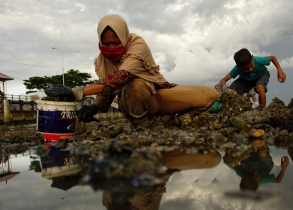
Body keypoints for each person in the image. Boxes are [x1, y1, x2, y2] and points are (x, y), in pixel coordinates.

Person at [70, 14, 218, 127]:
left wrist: (79, 91)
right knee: (135, 85)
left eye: (116, 42)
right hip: (131, 104)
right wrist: (94, 108)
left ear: (123, 36)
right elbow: (108, 91)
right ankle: (142, 126)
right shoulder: (102, 60)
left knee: (210, 94)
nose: (111, 48)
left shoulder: (137, 45)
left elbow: (121, 76)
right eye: (106, 44)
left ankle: (174, 121)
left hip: (156, 95)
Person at [217, 48, 287, 109]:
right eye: (246, 69)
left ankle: (261, 109)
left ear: (252, 58)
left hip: (262, 75)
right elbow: (223, 80)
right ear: (239, 67)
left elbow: (272, 58)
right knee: (231, 92)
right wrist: (224, 87)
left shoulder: (258, 60)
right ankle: (232, 109)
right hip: (247, 80)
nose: (250, 69)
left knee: (260, 87)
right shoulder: (237, 69)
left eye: (251, 65)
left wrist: (280, 71)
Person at [224, 142, 289, 191]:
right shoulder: (263, 179)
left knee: (232, 157)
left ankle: (250, 145)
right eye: (256, 175)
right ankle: (261, 143)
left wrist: (228, 156)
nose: (255, 172)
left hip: (249, 157)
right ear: (258, 183)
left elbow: (230, 164)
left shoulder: (241, 173)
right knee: (263, 153)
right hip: (264, 163)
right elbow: (278, 181)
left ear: (244, 176)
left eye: (251, 173)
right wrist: (283, 168)